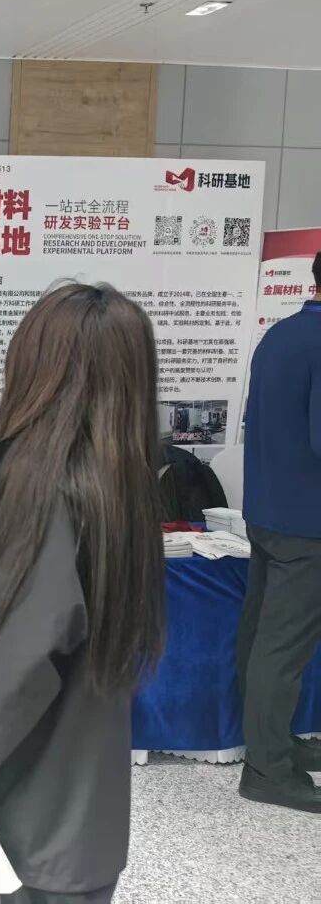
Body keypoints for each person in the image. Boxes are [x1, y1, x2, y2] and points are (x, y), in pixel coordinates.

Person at [0, 283, 166, 904]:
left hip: (21, 824)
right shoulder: (116, 484)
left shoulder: (42, 488)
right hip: (76, 815)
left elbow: (13, 663)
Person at [237, 252, 321, 813]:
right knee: (282, 648)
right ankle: (267, 769)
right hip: (309, 522)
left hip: (270, 511)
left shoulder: (281, 334)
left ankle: (271, 742)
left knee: (260, 635)